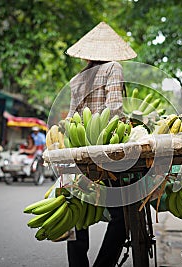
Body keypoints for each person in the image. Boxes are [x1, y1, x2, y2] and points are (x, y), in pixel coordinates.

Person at [65, 21, 137, 267]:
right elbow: (114, 109)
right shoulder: (113, 68)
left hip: (81, 149)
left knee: (77, 209)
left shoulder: (77, 79)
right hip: (106, 149)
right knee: (122, 215)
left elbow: (71, 117)